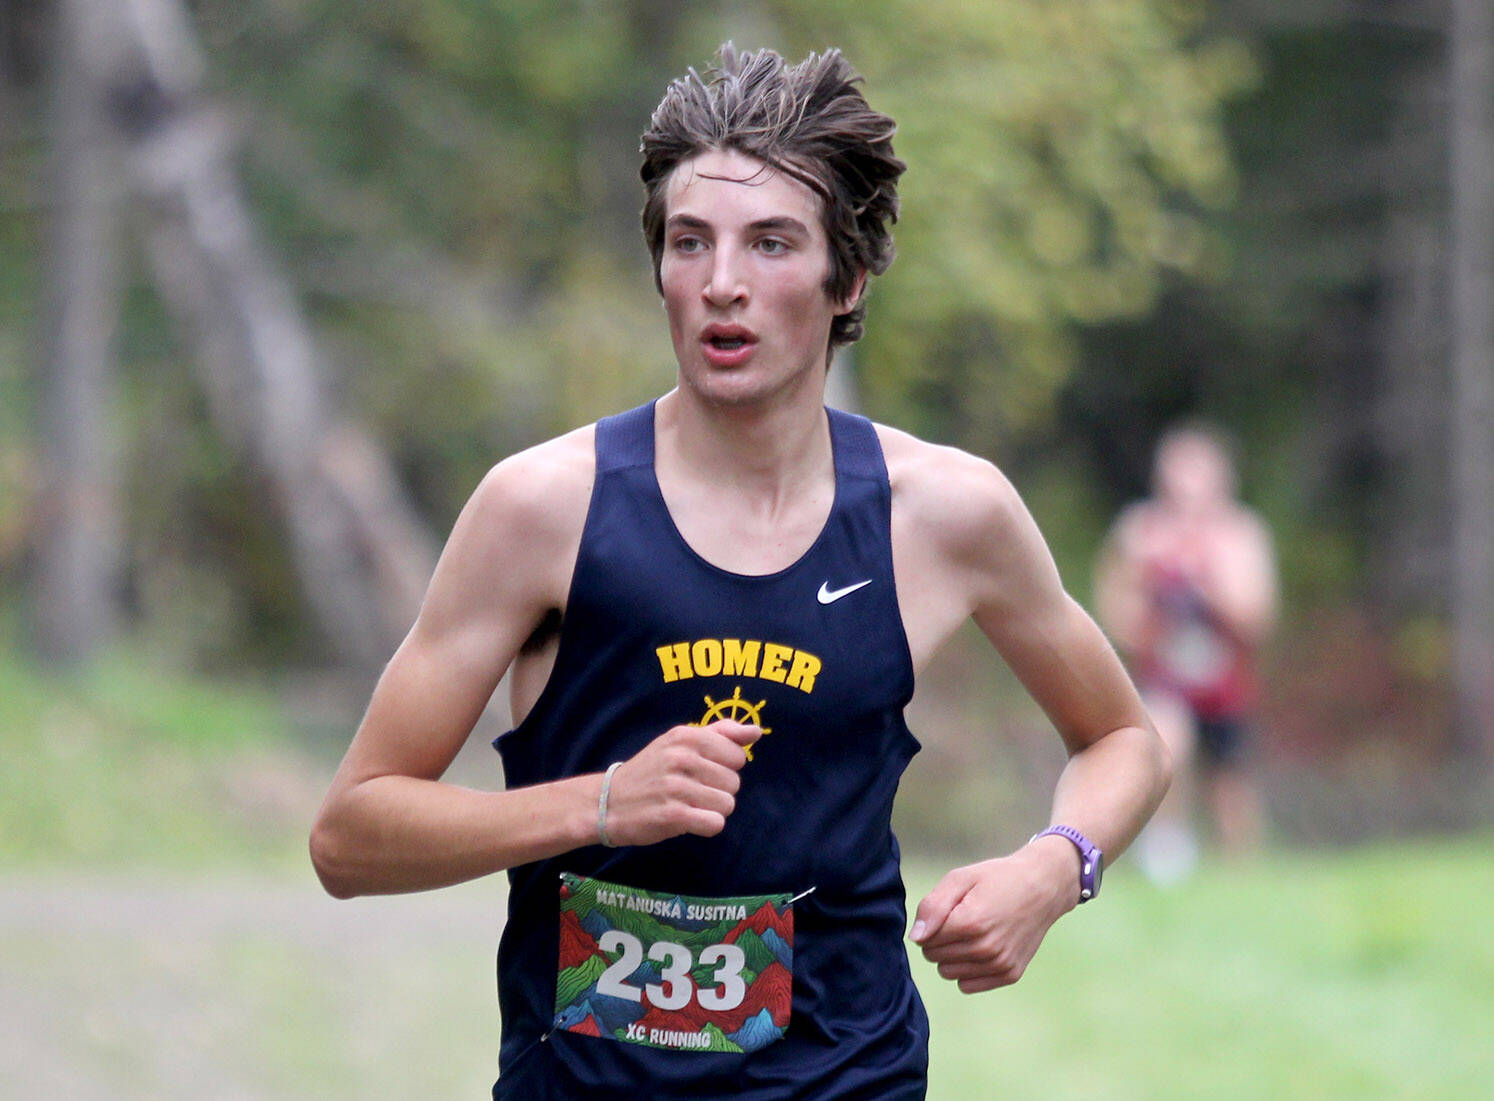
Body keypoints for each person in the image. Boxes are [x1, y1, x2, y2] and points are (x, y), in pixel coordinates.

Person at [311, 45, 1169, 1099]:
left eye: (770, 244)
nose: (723, 284)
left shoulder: (944, 513)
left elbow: (1124, 738)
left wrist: (1052, 869)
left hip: (848, 1079)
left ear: (845, 277)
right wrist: (601, 803)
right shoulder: (543, 508)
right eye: (690, 243)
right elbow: (349, 838)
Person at [1095, 423, 1277, 882]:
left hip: (1224, 677)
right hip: (1165, 672)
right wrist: (1142, 624)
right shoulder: (1141, 529)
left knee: (1231, 783)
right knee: (1165, 748)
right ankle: (1168, 856)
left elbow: (1258, 617)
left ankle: (1242, 875)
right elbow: (1113, 602)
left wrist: (1206, 576)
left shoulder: (1240, 533)